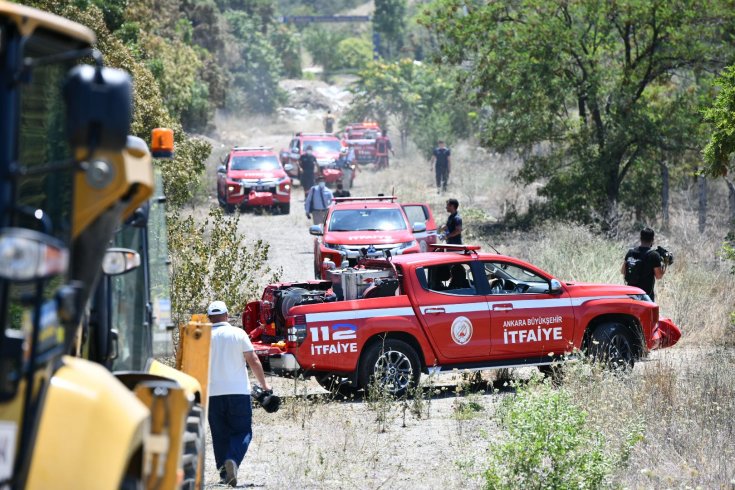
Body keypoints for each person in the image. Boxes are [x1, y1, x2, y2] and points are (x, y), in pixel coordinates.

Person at [206, 300, 271, 487]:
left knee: (219, 434)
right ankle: (233, 460)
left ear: (209, 318)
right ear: (227, 315)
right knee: (243, 430)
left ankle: (223, 475)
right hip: (238, 393)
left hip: (212, 394)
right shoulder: (238, 333)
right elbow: (253, 360)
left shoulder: (201, 337)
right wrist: (265, 386)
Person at [621, 227, 666, 302]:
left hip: (630, 295)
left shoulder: (630, 252)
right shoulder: (654, 255)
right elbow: (658, 276)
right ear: (652, 240)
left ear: (640, 238)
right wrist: (664, 266)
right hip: (645, 296)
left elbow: (623, 271)